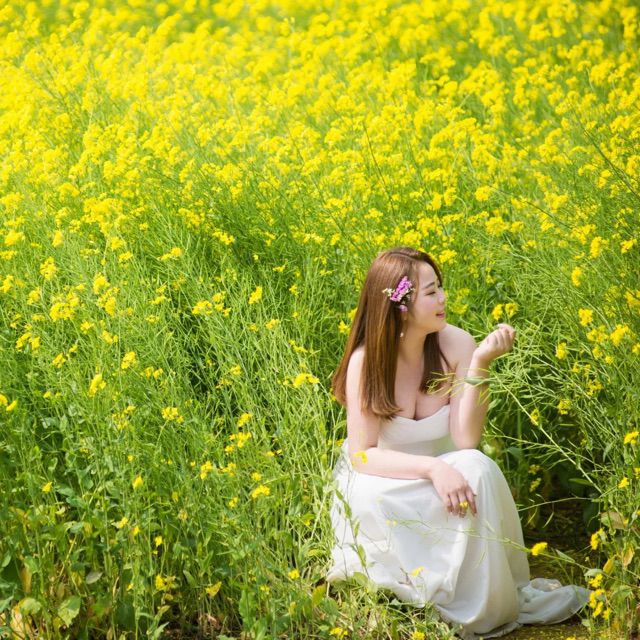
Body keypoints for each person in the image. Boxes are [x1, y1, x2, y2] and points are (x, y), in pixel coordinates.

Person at [326, 247, 589, 639]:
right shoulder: (368, 361)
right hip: (386, 478)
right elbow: (363, 455)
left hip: (446, 478)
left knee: (479, 466)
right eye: (431, 292)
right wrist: (433, 468)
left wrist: (481, 362)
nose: (443, 298)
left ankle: (482, 603)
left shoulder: (456, 344)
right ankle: (413, 593)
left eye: (440, 287)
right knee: (373, 496)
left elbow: (466, 439)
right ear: (401, 306)